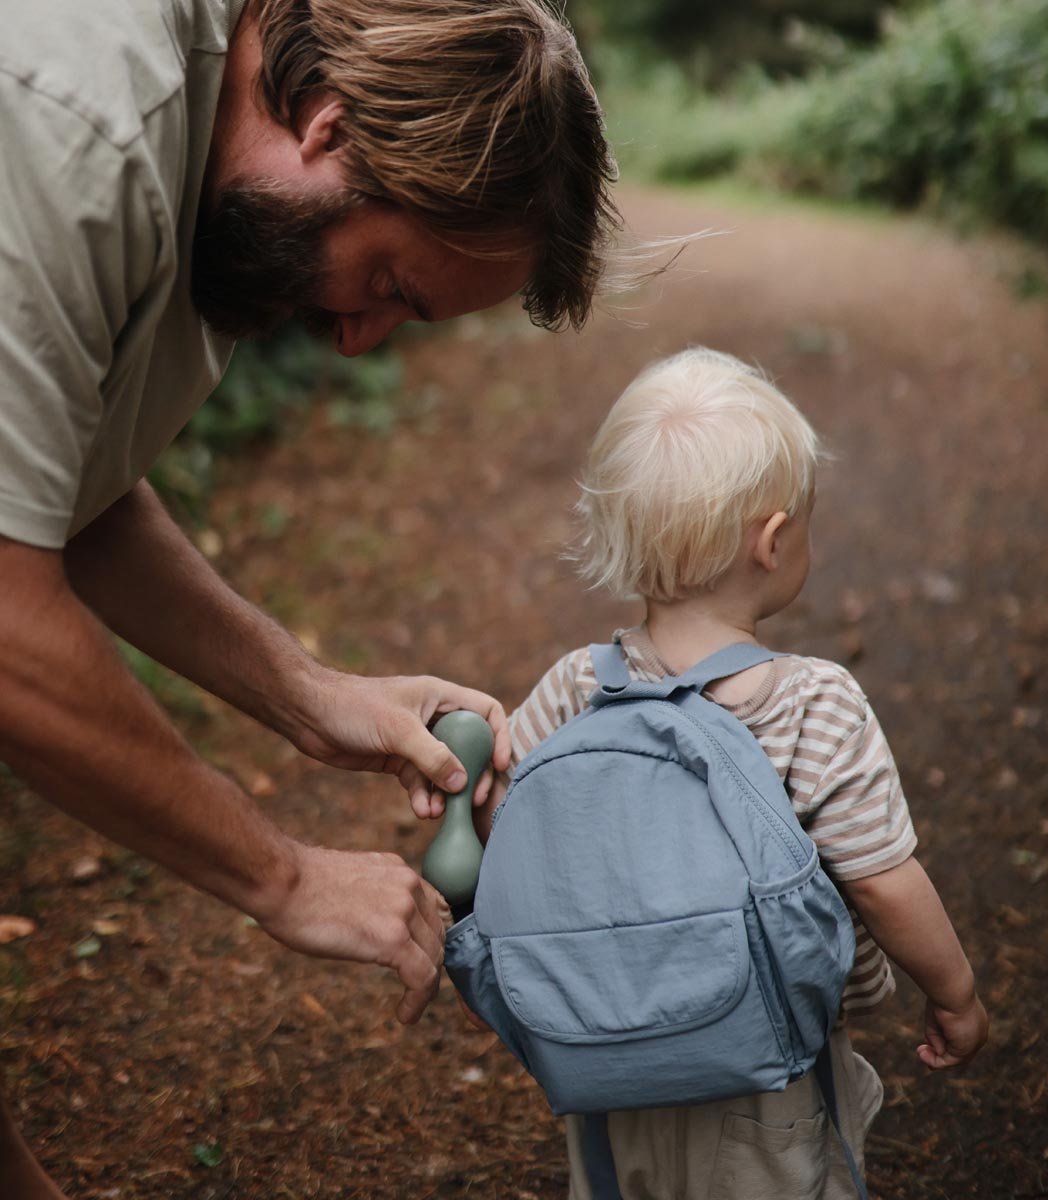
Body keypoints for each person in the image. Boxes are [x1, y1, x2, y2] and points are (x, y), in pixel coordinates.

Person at [0, 0, 620, 1194]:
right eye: (390, 281)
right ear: (333, 127)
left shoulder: (232, 196)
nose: (354, 341)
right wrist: (281, 876)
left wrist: (307, 693)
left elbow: (61, 494)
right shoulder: (76, 121)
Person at [417, 348, 990, 1198]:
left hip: (604, 1060)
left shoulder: (577, 687)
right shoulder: (813, 705)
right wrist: (957, 993)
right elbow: (881, 881)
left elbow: (505, 830)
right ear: (773, 540)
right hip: (763, 1061)